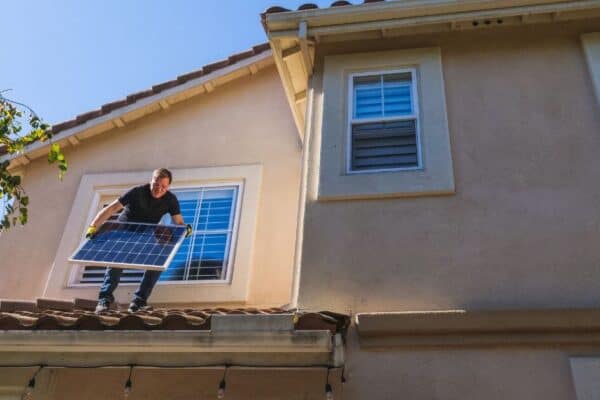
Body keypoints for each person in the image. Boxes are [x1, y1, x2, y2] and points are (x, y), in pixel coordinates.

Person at [86, 168, 190, 313]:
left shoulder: (170, 200)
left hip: (145, 234)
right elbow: (111, 209)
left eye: (163, 187)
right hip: (124, 231)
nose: (159, 189)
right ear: (151, 181)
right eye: (156, 185)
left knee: (158, 261)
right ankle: (105, 299)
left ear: (168, 187)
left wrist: (186, 230)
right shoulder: (137, 192)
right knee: (117, 261)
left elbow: (178, 222)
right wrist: (93, 227)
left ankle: (139, 301)